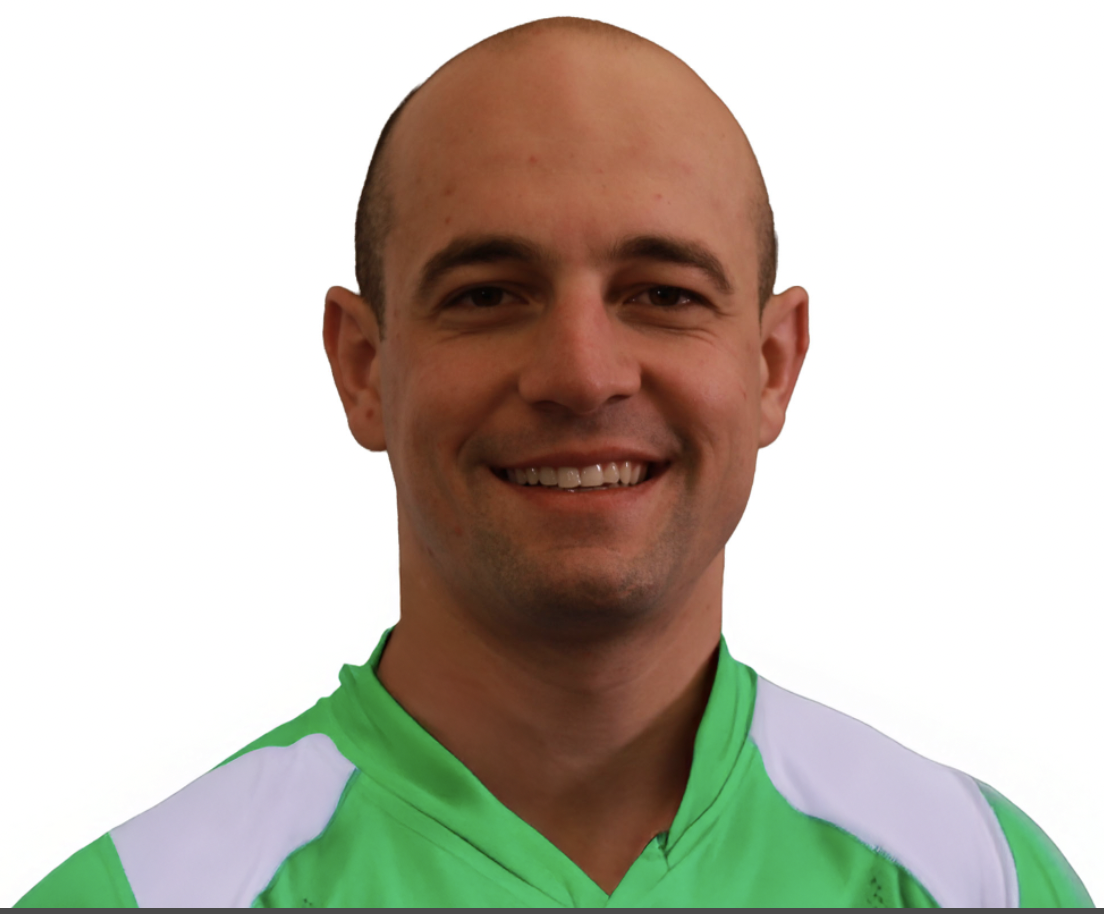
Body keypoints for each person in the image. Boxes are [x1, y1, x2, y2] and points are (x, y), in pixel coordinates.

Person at [14, 16, 1093, 909]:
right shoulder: (152, 891)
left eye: (662, 293)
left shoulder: (978, 877)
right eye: (488, 294)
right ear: (362, 368)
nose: (581, 373)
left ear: (772, 365)